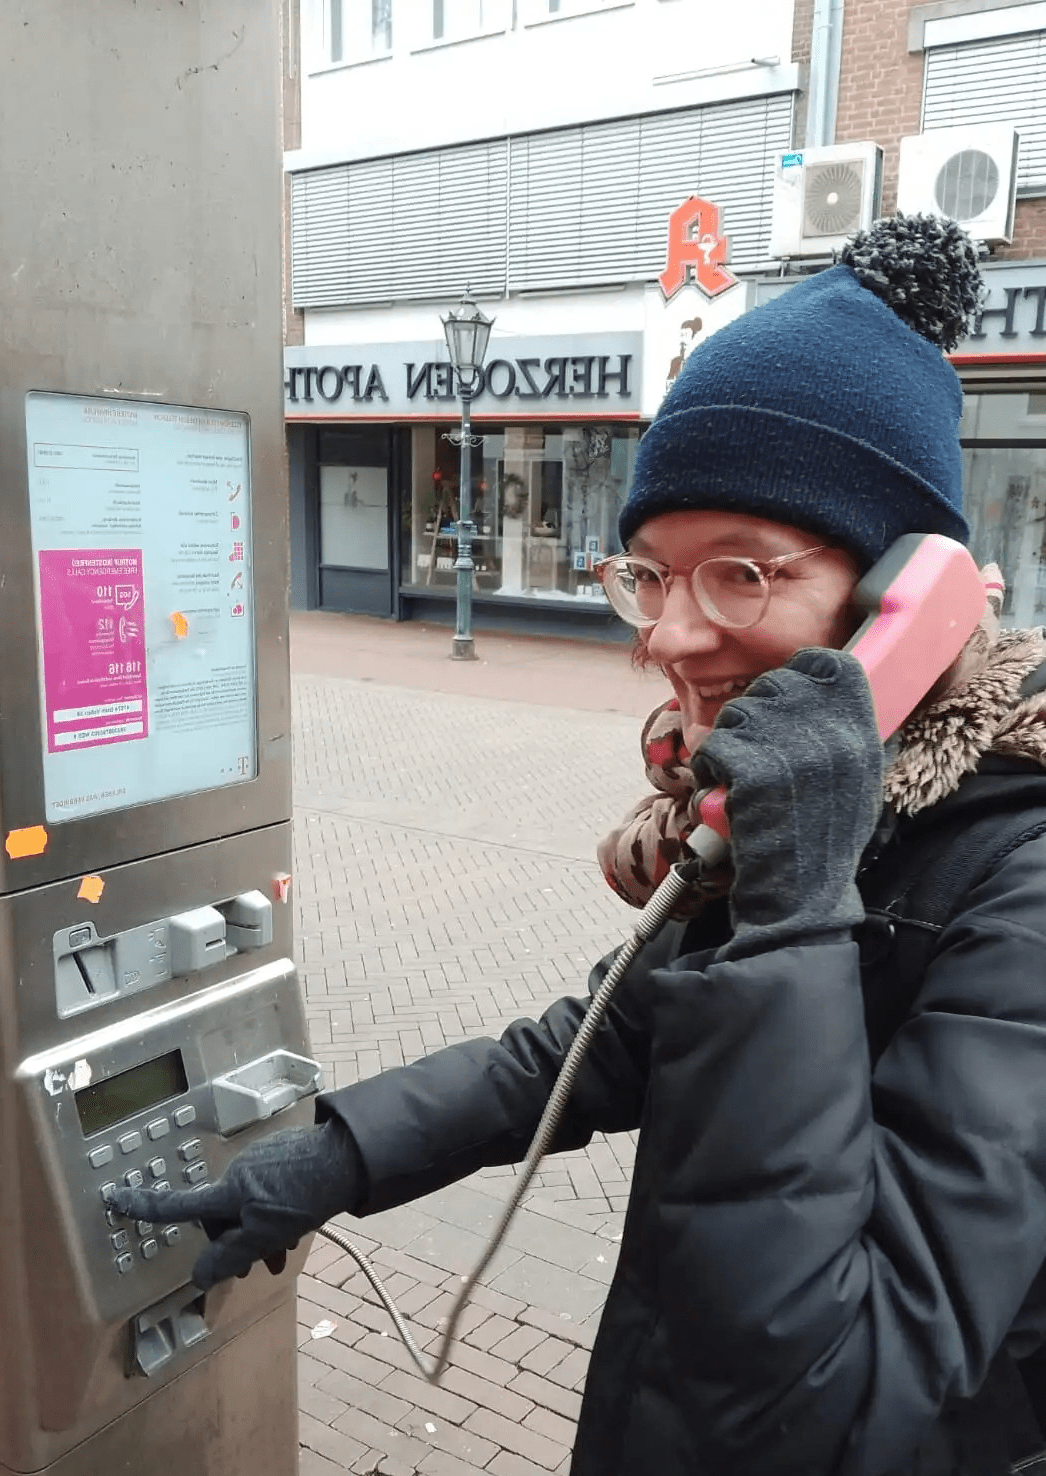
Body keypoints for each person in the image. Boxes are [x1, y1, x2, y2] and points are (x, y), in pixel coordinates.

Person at [111, 214, 1046, 1476]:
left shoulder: (1008, 874)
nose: (667, 638)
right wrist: (333, 1157)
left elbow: (831, 1401)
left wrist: (795, 915)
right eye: (650, 576)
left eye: (740, 574)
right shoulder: (816, 813)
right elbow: (601, 1044)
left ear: (906, 601)